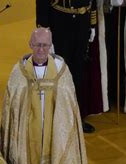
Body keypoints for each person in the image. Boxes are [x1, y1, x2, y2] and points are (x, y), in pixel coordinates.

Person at [1, 28, 94, 164]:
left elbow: (69, 106)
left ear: (51, 45)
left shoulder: (62, 70)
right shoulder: (19, 72)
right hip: (27, 140)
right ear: (30, 44)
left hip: (55, 139)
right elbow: (11, 109)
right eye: (37, 45)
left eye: (45, 45)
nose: (41, 50)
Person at [36, 0, 98, 133]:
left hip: (82, 21)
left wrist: (92, 24)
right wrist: (44, 30)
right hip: (60, 22)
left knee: (79, 72)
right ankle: (56, 119)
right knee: (59, 73)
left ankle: (76, 117)